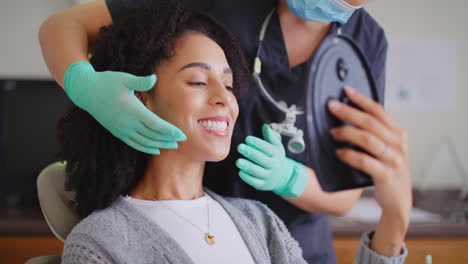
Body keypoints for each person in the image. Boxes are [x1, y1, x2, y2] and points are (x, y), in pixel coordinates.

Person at [40, 0, 409, 262]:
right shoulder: (106, 243)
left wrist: (292, 179)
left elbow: (345, 193)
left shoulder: (262, 226)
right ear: (143, 95)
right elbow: (63, 25)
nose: (224, 99)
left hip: (292, 236)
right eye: (199, 81)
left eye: (231, 85)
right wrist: (83, 83)